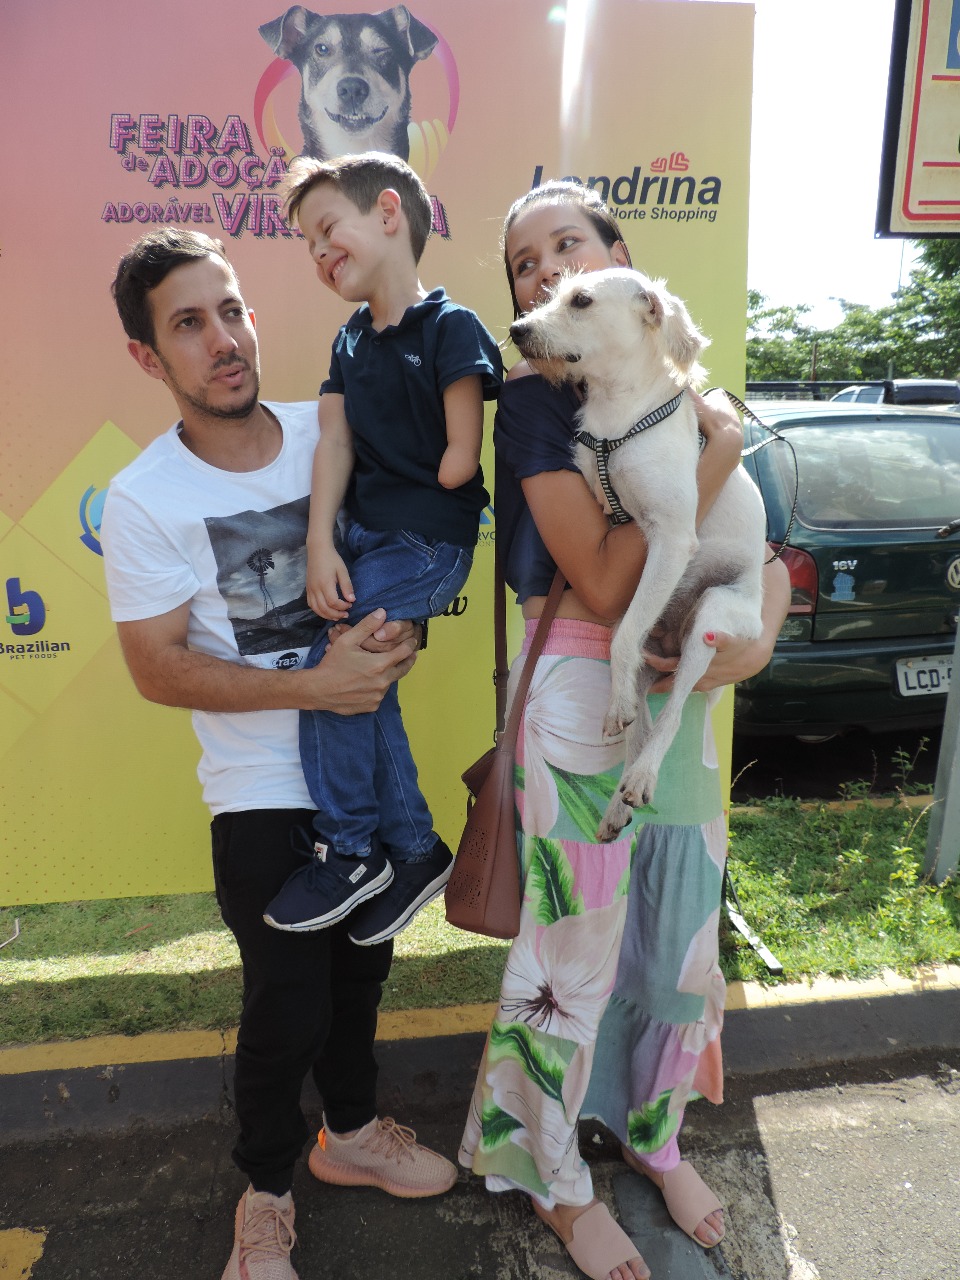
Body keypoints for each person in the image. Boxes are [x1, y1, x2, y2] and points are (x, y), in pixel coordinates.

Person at [101, 227, 460, 1280]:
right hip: (259, 789)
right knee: (287, 1000)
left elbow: (416, 555)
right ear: (148, 357)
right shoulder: (144, 497)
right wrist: (312, 683)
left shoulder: (330, 433)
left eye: (231, 309)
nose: (223, 339)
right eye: (188, 323)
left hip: (367, 767)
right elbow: (158, 667)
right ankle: (263, 1191)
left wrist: (399, 629)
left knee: (361, 980)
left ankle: (350, 1131)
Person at [457, 180, 792, 1280]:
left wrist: (762, 638)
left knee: (678, 932)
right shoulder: (540, 405)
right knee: (572, 941)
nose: (545, 272)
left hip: (683, 701)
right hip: (579, 688)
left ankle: (653, 1135)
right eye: (522, 263)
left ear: (622, 265)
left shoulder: (689, 388)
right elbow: (604, 582)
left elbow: (766, 562)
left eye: (568, 247)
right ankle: (555, 1179)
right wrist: (713, 453)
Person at [261, 151, 504, 946]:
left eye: (328, 229)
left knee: (336, 667)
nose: (320, 253)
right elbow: (333, 442)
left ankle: (351, 847)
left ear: (389, 213)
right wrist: (322, 543)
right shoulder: (348, 341)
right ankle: (414, 849)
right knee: (366, 678)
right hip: (363, 535)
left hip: (427, 539)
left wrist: (447, 468)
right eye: (308, 244)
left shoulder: (451, 325)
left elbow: (465, 444)